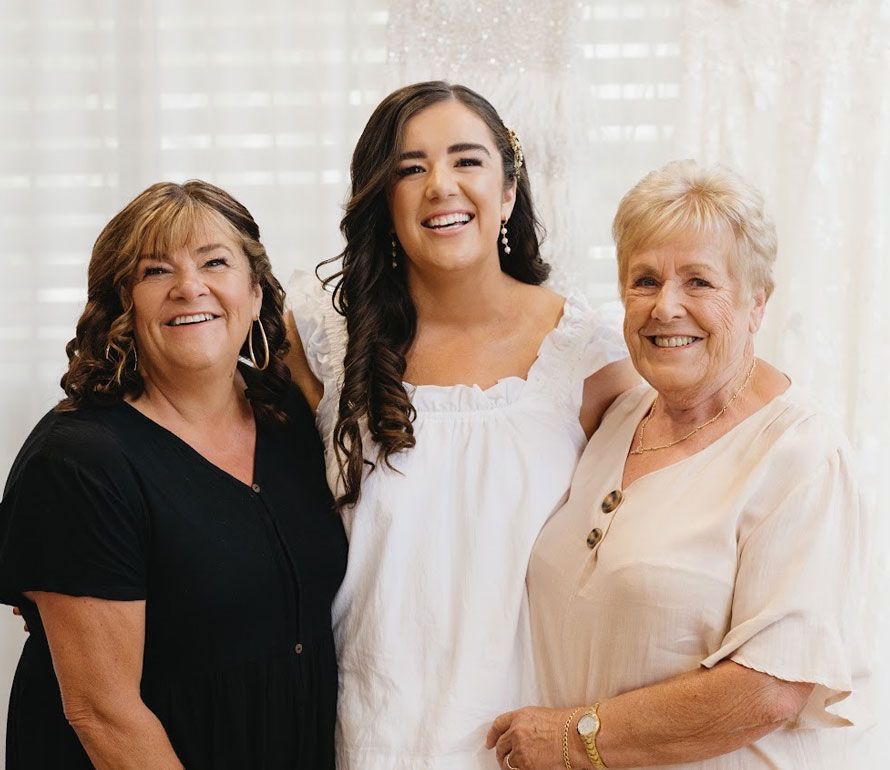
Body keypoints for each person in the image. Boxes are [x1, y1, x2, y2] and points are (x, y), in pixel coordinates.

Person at [284, 81, 637, 770]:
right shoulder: (324, 340)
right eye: (410, 168)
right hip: (368, 733)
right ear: (383, 201)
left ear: (507, 191)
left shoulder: (588, 355)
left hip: (526, 737)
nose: (440, 185)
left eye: (466, 160)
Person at [487, 160, 866, 769]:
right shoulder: (618, 417)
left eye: (699, 282)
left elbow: (771, 689)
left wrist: (571, 738)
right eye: (645, 281)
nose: (666, 307)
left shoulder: (802, 453)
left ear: (756, 303)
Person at [0, 181, 347, 769]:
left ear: (256, 293)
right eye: (156, 271)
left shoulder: (290, 416)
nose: (190, 287)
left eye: (215, 262)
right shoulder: (78, 463)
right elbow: (103, 712)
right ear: (123, 306)